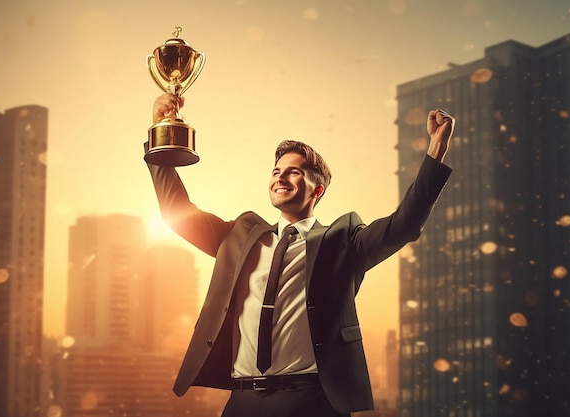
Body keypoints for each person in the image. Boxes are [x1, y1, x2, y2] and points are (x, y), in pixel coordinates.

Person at [145, 93, 454, 417]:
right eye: (277, 170)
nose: (280, 176)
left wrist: (436, 150)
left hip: (310, 402)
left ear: (317, 189)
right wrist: (160, 132)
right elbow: (175, 210)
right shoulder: (238, 236)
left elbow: (403, 226)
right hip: (241, 401)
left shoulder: (343, 242)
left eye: (293, 172)